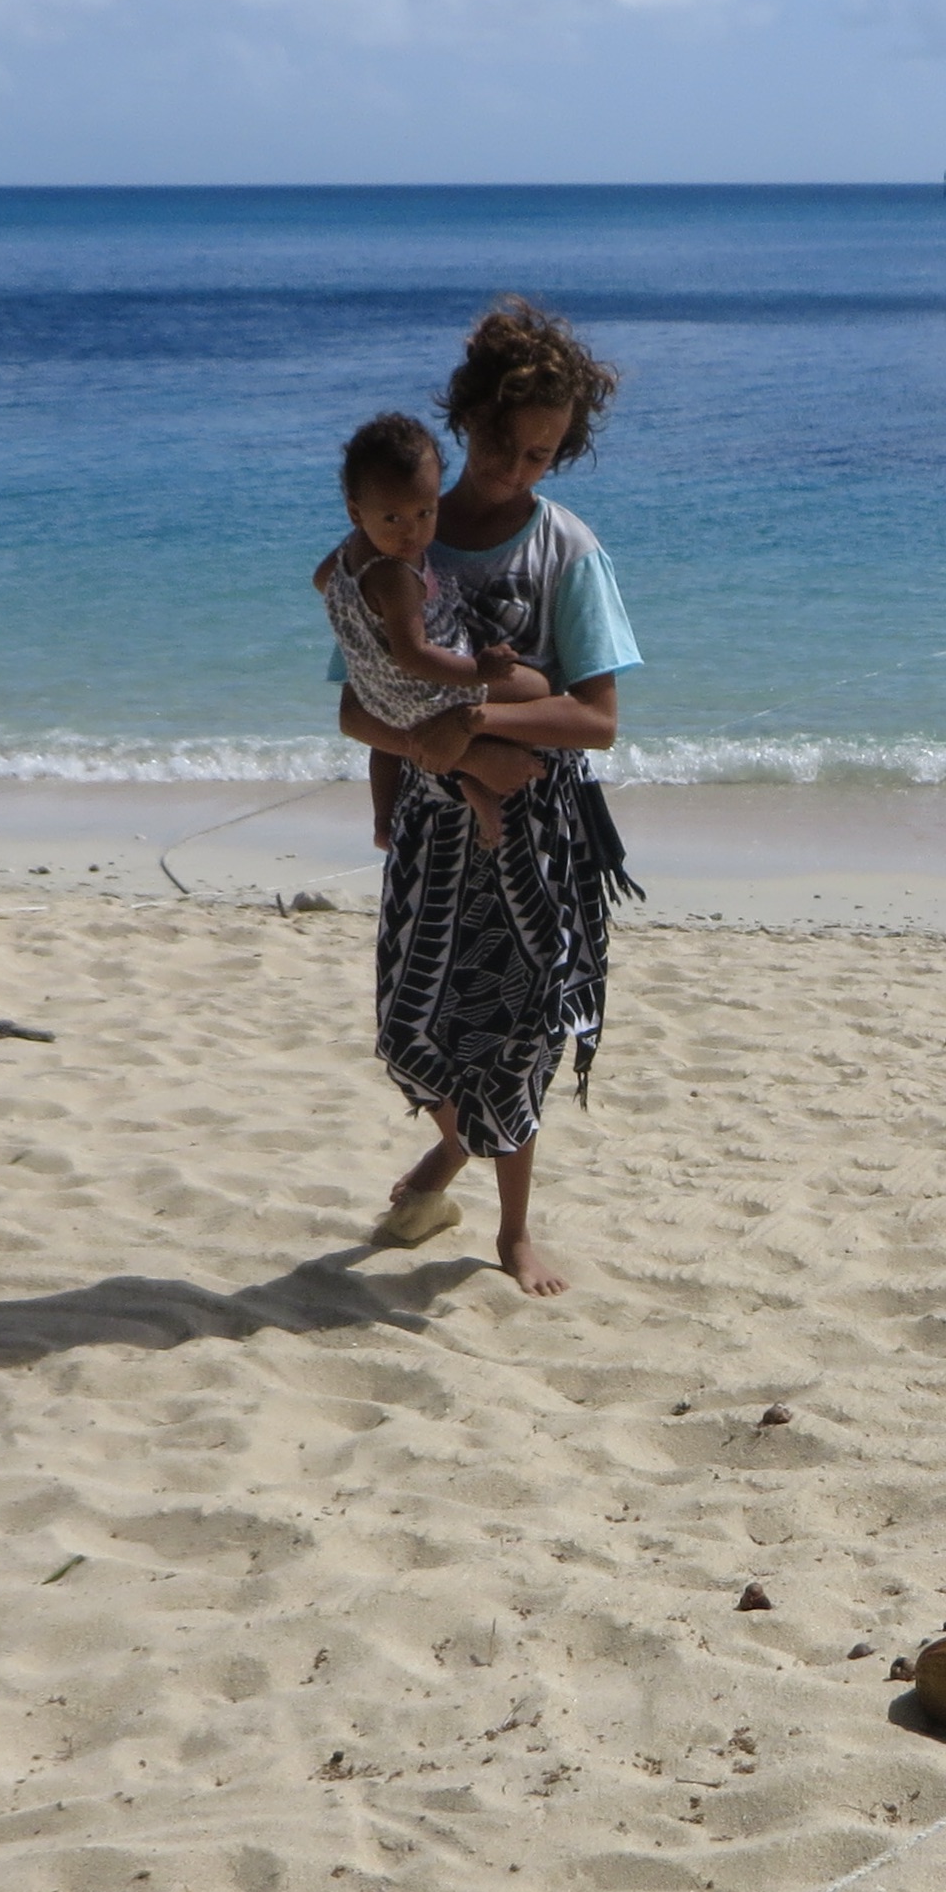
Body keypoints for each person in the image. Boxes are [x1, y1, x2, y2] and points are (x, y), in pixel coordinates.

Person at [336, 301, 642, 1298]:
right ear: (466, 418)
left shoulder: (569, 551)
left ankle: (512, 1231)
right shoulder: (400, 543)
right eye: (504, 445)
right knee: (407, 1029)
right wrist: (433, 756)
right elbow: (357, 703)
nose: (518, 469)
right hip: (431, 825)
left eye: (542, 454)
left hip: (535, 831)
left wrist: (476, 725)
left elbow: (596, 719)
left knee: (515, 1038)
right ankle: (452, 1149)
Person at [312, 411, 553, 849]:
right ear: (355, 512)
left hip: (376, 695)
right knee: (536, 687)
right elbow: (415, 655)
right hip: (424, 691)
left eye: (425, 512)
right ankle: (474, 777)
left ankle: (383, 822)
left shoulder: (353, 548)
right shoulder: (394, 576)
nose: (412, 532)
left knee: (385, 748)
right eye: (393, 519)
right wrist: (478, 671)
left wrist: (361, 621)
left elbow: (322, 580)